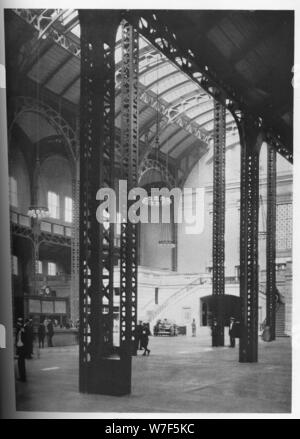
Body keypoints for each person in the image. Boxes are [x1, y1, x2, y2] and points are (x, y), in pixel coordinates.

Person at [15, 318, 26, 382]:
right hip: (20, 348)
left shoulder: (22, 330)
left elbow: (22, 340)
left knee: (21, 363)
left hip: (21, 348)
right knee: (20, 363)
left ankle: (22, 377)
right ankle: (22, 377)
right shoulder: (21, 330)